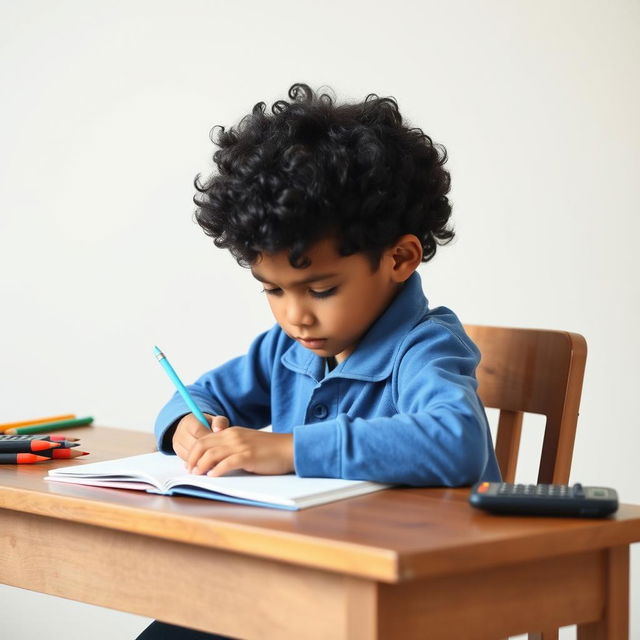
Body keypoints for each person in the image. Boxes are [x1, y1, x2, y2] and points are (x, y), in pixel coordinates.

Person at [137, 83, 501, 640]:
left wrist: (285, 449)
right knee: (182, 622)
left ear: (399, 257)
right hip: (312, 585)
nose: (295, 317)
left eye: (321, 290)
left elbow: (456, 441)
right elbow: (202, 396)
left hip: (415, 602)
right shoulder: (286, 350)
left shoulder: (425, 347)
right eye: (273, 291)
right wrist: (188, 426)